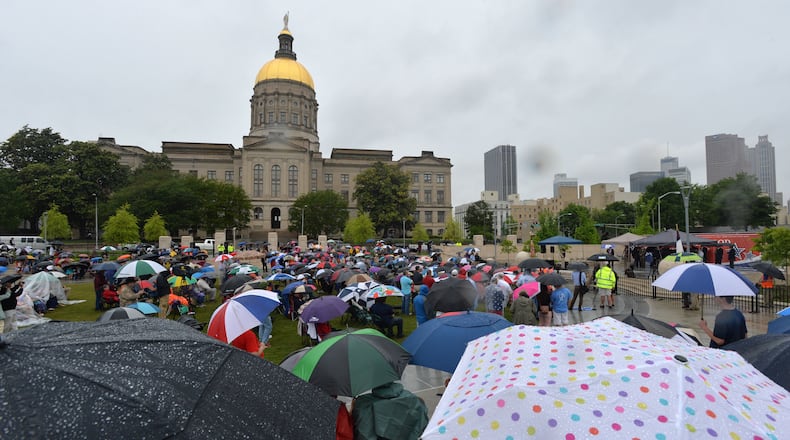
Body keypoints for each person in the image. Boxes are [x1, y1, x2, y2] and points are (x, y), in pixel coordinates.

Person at [351, 381, 428, 440]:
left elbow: (363, 433)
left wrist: (353, 409)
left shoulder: (363, 403)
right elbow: (421, 427)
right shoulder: (413, 399)